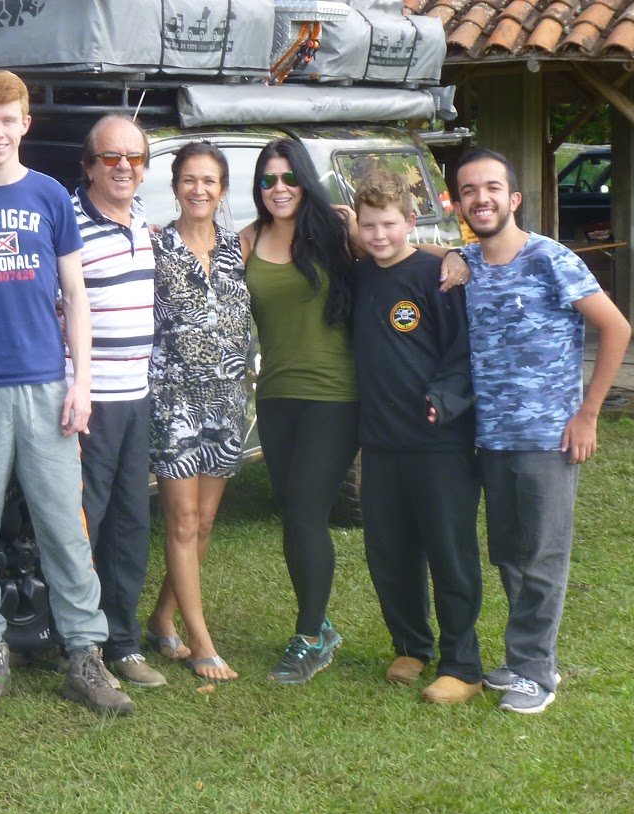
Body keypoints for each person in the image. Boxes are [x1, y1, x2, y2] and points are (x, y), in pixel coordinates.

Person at [0, 69, 132, 717]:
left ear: (25, 124)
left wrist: (82, 382)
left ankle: (85, 653)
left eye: (8, 120)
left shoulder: (50, 197)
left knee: (64, 524)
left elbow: (76, 296)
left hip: (46, 384)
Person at [453, 147, 631, 714]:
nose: (481, 199)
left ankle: (536, 674)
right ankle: (525, 659)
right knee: (509, 554)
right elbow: (410, 248)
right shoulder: (466, 262)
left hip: (548, 438)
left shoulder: (551, 258)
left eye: (491, 188)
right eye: (469, 191)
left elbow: (616, 328)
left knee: (542, 558)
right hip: (491, 437)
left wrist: (588, 414)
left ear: (513, 198)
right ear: (459, 204)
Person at [350, 168, 483, 705]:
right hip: (381, 442)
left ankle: (463, 665)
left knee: (449, 552)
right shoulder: (359, 275)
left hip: (438, 442)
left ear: (409, 221)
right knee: (389, 549)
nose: (378, 235)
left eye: (388, 224)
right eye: (368, 225)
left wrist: (444, 401)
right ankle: (410, 645)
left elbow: (464, 350)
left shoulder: (438, 275)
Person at [240, 137, 359, 684]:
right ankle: (320, 624)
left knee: (309, 509)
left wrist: (456, 256)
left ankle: (309, 636)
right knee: (293, 511)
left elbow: (397, 252)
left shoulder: (337, 231)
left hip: (335, 395)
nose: (279, 188)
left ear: (305, 181)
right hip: (276, 395)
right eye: (268, 179)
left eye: (289, 177)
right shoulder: (249, 239)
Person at [143, 142, 252, 682]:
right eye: (189, 179)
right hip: (174, 401)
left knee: (204, 522)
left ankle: (162, 617)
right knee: (183, 520)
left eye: (209, 181)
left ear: (223, 189)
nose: (199, 189)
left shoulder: (240, 249)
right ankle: (202, 642)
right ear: (175, 187)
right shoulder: (154, 247)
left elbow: (302, 224)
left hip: (227, 402)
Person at [69, 114, 167, 689]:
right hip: (89, 403)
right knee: (84, 525)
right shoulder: (68, 226)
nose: (124, 167)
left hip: (136, 398)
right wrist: (73, 390)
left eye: (134, 157)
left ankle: (123, 642)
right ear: (89, 166)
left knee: (130, 524)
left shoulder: (143, 219)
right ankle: (78, 643)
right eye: (110, 157)